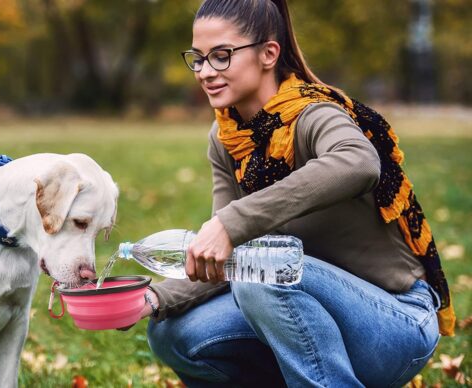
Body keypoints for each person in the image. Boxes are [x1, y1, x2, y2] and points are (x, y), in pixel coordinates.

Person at [137, 0, 456, 386]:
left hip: (394, 321)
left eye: (221, 57)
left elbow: (358, 162)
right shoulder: (227, 138)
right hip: (301, 313)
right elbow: (229, 259)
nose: (205, 72)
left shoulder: (314, 113)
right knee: (173, 334)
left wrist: (233, 221)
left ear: (269, 53)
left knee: (263, 275)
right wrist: (152, 299)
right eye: (198, 58)